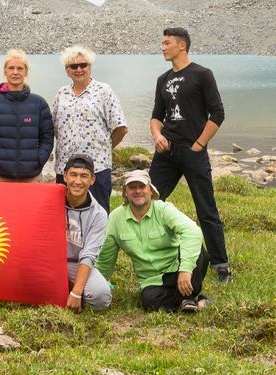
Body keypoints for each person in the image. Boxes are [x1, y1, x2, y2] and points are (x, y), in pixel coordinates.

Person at [149, 27, 231, 282]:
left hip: (193, 152)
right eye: (161, 43)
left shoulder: (202, 74)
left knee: (206, 209)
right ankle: (159, 256)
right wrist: (158, 136)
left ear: (181, 45)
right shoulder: (163, 79)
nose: (162, 47)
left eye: (166, 43)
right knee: (147, 200)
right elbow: (155, 116)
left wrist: (200, 144)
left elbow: (217, 113)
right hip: (166, 152)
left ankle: (221, 266)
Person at [95, 170, 210, 313]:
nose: (137, 191)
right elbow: (105, 258)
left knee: (199, 251)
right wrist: (96, 285)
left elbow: (192, 231)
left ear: (151, 190)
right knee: (150, 302)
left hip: (177, 267)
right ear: (125, 192)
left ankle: (188, 297)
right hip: (152, 279)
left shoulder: (163, 209)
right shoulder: (114, 219)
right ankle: (194, 301)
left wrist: (185, 269)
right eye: (132, 187)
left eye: (141, 186)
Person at [52, 46, 127, 211]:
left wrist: (106, 149)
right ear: (67, 71)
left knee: (98, 213)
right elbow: (53, 128)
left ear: (90, 67)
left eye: (83, 65)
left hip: (96, 168)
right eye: (73, 66)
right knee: (64, 214)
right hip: (65, 168)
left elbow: (120, 127)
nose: (78, 69)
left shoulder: (104, 91)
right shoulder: (61, 94)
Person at [0, 49, 54, 183]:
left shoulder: (39, 103)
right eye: (11, 68)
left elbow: (47, 138)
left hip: (32, 176)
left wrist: (39, 159)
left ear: (25, 72)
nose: (15, 72)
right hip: (0, 176)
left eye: (20, 68)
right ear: (5, 71)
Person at [61, 154, 112, 311]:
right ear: (65, 176)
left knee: (101, 298)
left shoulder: (99, 214)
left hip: (76, 264)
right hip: (49, 262)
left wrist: (76, 293)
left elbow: (89, 255)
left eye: (84, 176)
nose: (77, 181)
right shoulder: (49, 199)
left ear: (92, 180)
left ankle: (73, 292)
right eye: (73, 175)